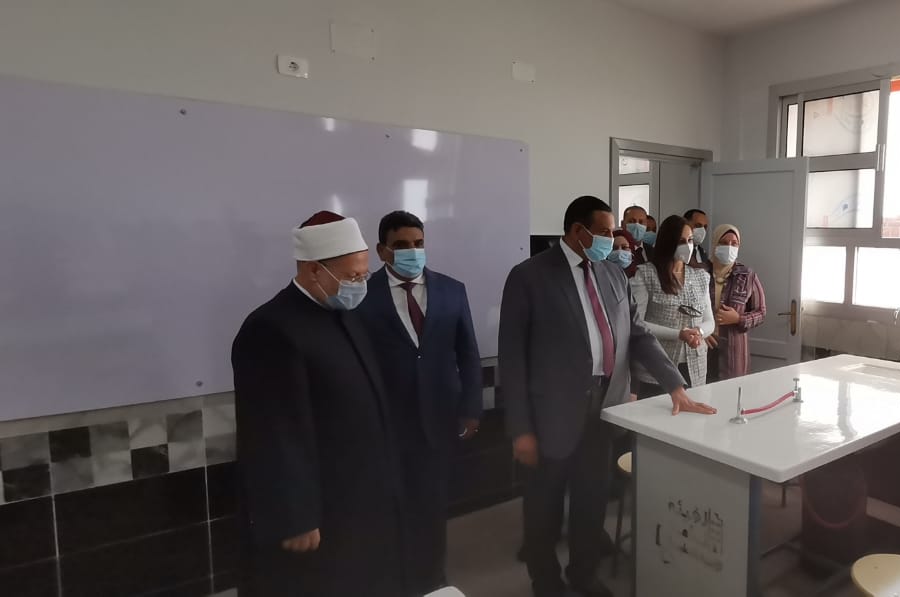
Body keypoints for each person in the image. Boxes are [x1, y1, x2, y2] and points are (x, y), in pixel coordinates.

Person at [500, 195, 717, 597]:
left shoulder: (613, 274)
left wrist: (675, 384)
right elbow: (512, 358)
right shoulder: (530, 276)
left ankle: (583, 575)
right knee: (544, 505)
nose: (611, 238)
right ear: (577, 230)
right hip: (550, 414)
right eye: (603, 231)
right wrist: (521, 429)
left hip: (604, 408)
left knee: (592, 500)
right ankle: (545, 581)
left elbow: (638, 334)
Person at [231, 211, 407, 597]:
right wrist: (294, 516)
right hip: (319, 510)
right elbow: (272, 433)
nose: (360, 284)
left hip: (362, 496)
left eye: (363, 274)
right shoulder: (271, 328)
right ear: (313, 270)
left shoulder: (344, 313)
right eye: (352, 276)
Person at [356, 210, 482, 593]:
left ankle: (431, 579)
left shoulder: (452, 290)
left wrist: (471, 408)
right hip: (387, 422)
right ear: (382, 250)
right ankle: (394, 579)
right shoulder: (361, 295)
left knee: (431, 505)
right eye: (401, 245)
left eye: (419, 243)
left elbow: (468, 353)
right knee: (389, 509)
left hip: (439, 418)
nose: (412, 251)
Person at [630, 215, 714, 397]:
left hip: (695, 366)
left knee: (693, 412)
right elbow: (638, 322)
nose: (688, 246)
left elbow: (710, 321)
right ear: (668, 242)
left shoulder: (700, 276)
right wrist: (678, 334)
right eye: (681, 241)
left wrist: (698, 332)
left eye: (690, 240)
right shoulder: (646, 274)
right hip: (657, 366)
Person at [708, 224, 767, 381]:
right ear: (715, 243)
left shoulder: (747, 275)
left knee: (731, 393)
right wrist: (701, 331)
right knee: (701, 392)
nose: (729, 247)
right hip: (702, 347)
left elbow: (761, 312)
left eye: (734, 244)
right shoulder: (701, 272)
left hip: (734, 351)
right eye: (723, 242)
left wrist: (738, 319)